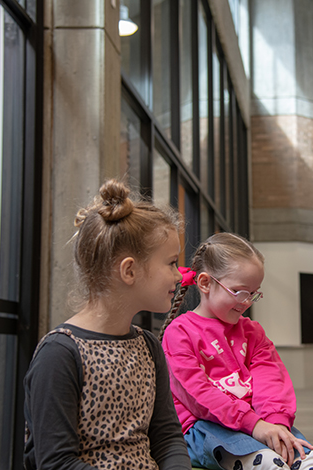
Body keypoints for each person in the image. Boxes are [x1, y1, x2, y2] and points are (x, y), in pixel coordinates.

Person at [23, 180, 191, 470]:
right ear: (129, 270)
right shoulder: (59, 354)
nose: (179, 276)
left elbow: (166, 436)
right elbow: (56, 462)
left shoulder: (148, 346)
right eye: (171, 263)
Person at [160, 233, 313, 470]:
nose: (247, 301)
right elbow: (197, 395)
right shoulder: (180, 333)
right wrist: (254, 425)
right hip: (205, 427)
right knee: (268, 462)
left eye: (253, 293)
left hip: (258, 422)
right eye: (239, 292)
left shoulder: (253, 332)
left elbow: (272, 381)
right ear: (205, 283)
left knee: (307, 459)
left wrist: (275, 423)